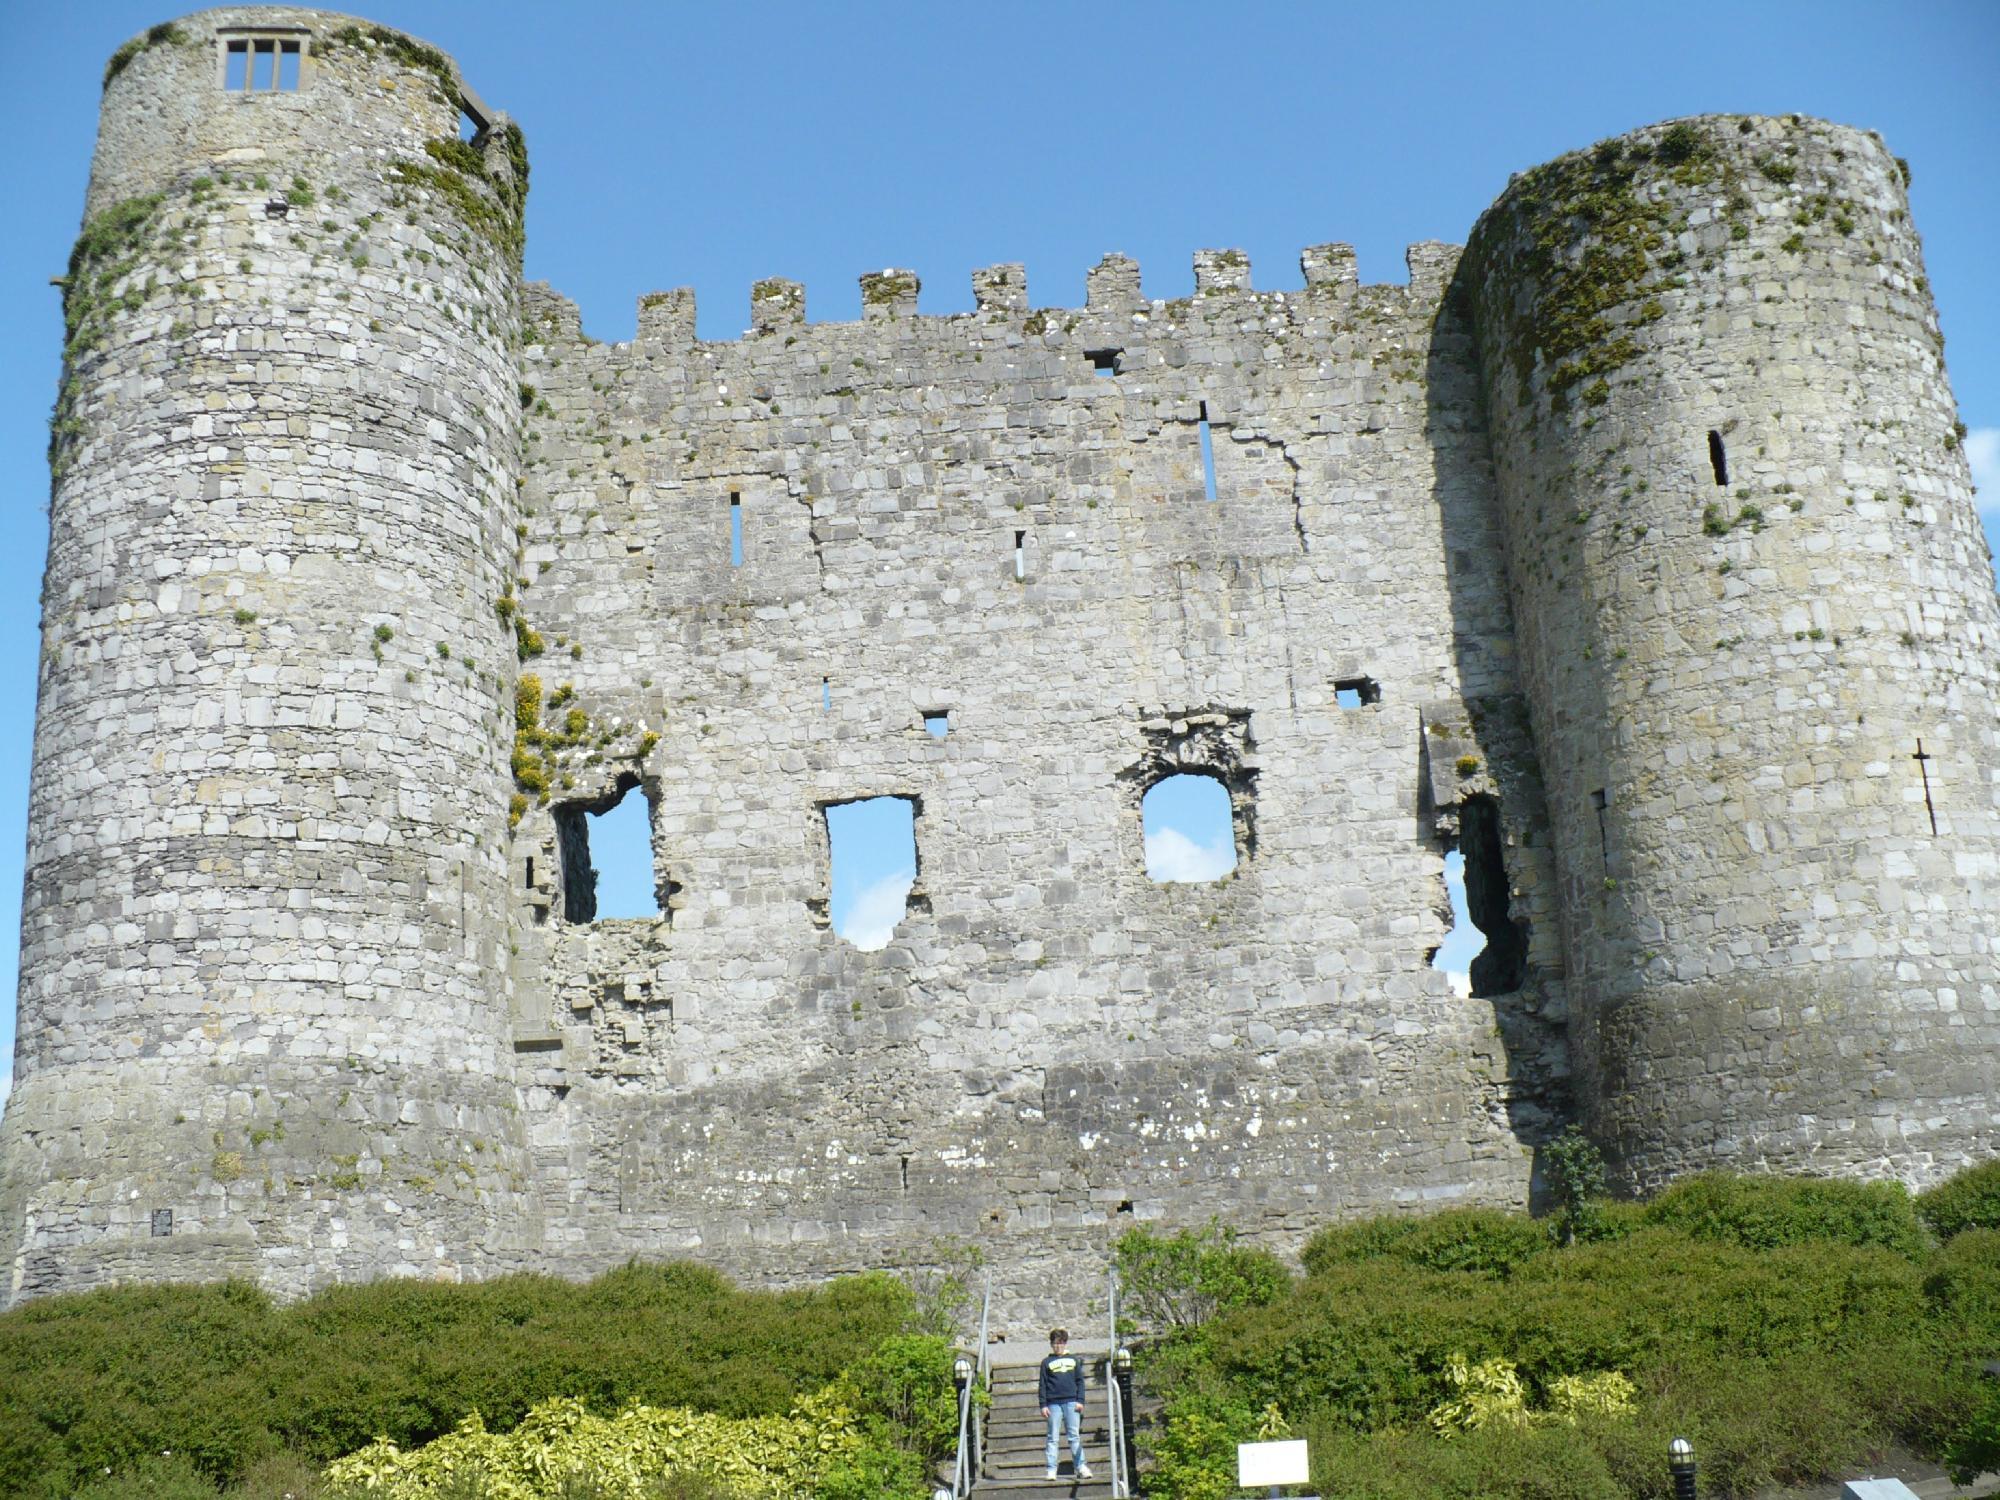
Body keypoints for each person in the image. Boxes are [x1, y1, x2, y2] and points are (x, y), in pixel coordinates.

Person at [1038, 1327, 1092, 1482]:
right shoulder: (1046, 1362)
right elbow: (1042, 1384)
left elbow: (1080, 1382)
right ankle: (1051, 1469)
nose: (1058, 1346)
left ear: (1065, 1343)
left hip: (1071, 1402)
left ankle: (1081, 1466)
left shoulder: (1074, 1360)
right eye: (1055, 1343)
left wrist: (1080, 1400)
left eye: (1061, 1343)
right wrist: (1043, 1404)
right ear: (1051, 1344)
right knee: (1052, 1438)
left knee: (1074, 1436)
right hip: (1053, 1404)